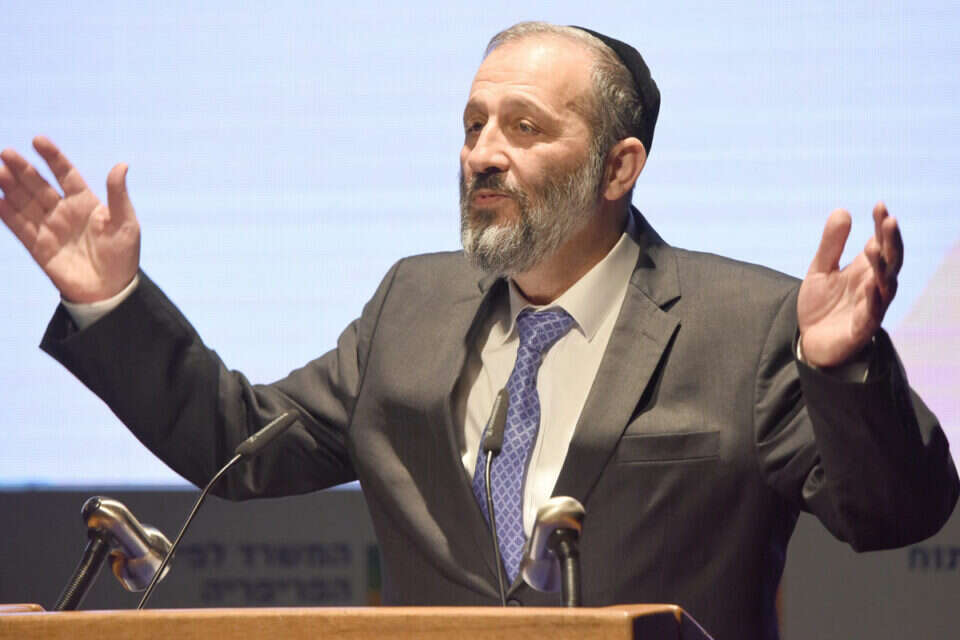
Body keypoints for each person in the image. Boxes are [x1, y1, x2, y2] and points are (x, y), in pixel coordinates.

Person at [1, 21, 956, 640]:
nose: (482, 155)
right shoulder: (412, 306)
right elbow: (236, 443)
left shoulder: (744, 324)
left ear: (619, 167)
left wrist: (843, 368)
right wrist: (111, 304)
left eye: (524, 128)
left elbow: (895, 515)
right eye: (472, 125)